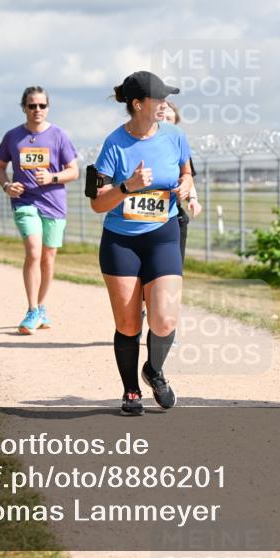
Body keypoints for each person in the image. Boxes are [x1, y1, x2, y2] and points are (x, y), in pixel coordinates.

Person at [90, 71, 193, 416]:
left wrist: (185, 186)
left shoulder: (175, 135)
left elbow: (187, 172)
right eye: (159, 98)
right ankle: (131, 389)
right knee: (129, 324)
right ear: (138, 104)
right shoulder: (113, 144)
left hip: (163, 234)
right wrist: (127, 187)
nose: (165, 103)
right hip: (122, 242)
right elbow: (97, 203)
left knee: (164, 321)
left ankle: (155, 371)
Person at [0, 86, 79, 335]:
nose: (37, 110)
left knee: (48, 256)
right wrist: (7, 185)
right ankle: (31, 309)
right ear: (24, 108)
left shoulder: (59, 135)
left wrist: (52, 177)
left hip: (53, 202)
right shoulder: (13, 136)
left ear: (48, 108)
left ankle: (41, 307)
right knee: (33, 250)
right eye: (32, 105)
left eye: (42, 105)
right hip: (25, 202)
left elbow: (73, 170)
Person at [156, 100, 202, 262]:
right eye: (161, 118)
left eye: (170, 119)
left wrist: (193, 200)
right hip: (142, 218)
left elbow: (187, 177)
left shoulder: (180, 149)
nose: (165, 122)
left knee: (172, 270)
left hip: (172, 215)